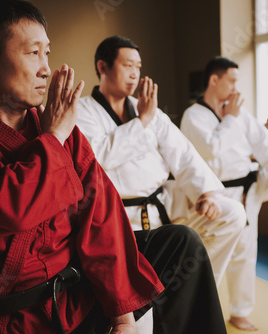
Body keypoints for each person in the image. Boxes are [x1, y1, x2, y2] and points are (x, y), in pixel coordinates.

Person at [0, 1, 227, 333]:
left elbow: (101, 211)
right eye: (33, 53)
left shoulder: (61, 130)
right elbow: (10, 208)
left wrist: (122, 316)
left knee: (180, 244)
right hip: (17, 317)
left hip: (79, 298)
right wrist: (53, 137)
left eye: (47, 54)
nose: (45, 69)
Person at [76, 36, 246, 287]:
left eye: (138, 66)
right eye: (127, 65)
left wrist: (205, 193)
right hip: (119, 217)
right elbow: (98, 157)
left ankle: (193, 289)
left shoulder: (146, 107)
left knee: (231, 213)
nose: (135, 73)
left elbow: (182, 151)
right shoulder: (83, 111)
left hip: (162, 204)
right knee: (141, 308)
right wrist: (141, 121)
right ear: (103, 67)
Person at [181, 56, 268, 330]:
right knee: (237, 251)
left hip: (252, 185)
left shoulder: (238, 114)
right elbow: (212, 150)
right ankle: (219, 310)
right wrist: (230, 118)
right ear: (214, 80)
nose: (235, 87)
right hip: (221, 196)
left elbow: (264, 142)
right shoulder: (193, 116)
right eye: (231, 80)